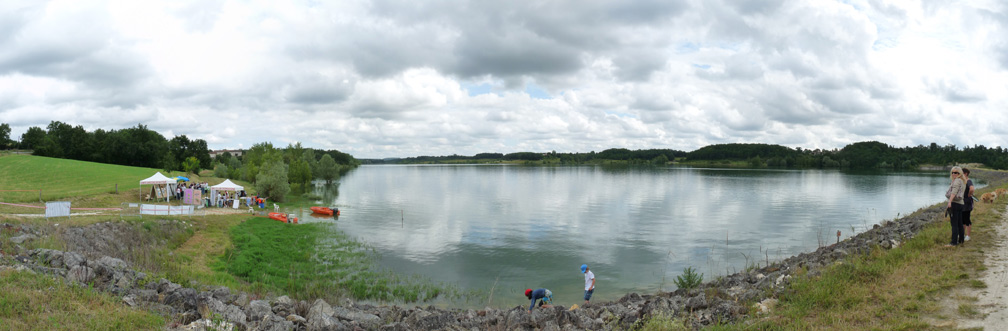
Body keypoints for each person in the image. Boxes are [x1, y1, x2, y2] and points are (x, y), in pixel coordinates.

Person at [945, 166, 967, 247]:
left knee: (954, 224)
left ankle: (953, 242)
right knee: (959, 223)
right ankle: (961, 240)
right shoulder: (962, 180)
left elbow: (954, 192)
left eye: (956, 173)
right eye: (953, 172)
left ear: (960, 173)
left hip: (955, 203)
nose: (954, 174)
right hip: (961, 203)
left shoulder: (957, 181)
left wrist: (949, 202)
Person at [963, 168, 975, 241]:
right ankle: (962, 234)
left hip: (967, 202)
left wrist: (969, 194)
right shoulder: (963, 181)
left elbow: (972, 189)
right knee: (962, 219)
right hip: (962, 202)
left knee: (967, 219)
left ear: (966, 173)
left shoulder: (968, 181)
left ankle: (968, 235)